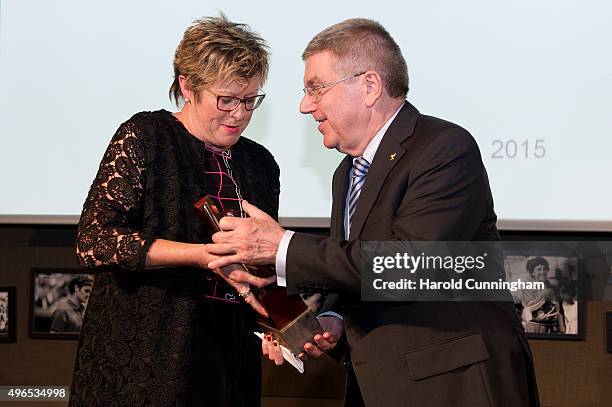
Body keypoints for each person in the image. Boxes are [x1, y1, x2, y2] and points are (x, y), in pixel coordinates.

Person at [207, 18, 540, 407]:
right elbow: (356, 269)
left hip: (453, 385)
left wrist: (281, 246)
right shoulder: (346, 172)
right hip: (380, 384)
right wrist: (334, 320)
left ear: (369, 86)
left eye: (316, 89)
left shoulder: (444, 149)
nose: (305, 106)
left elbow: (408, 265)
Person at [71, 15, 277, 406]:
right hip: (147, 353)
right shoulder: (147, 137)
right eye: (226, 100)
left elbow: (262, 265)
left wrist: (278, 324)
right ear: (187, 84)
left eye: (250, 100)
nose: (240, 114)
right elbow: (93, 241)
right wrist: (199, 256)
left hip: (232, 354)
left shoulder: (261, 164)